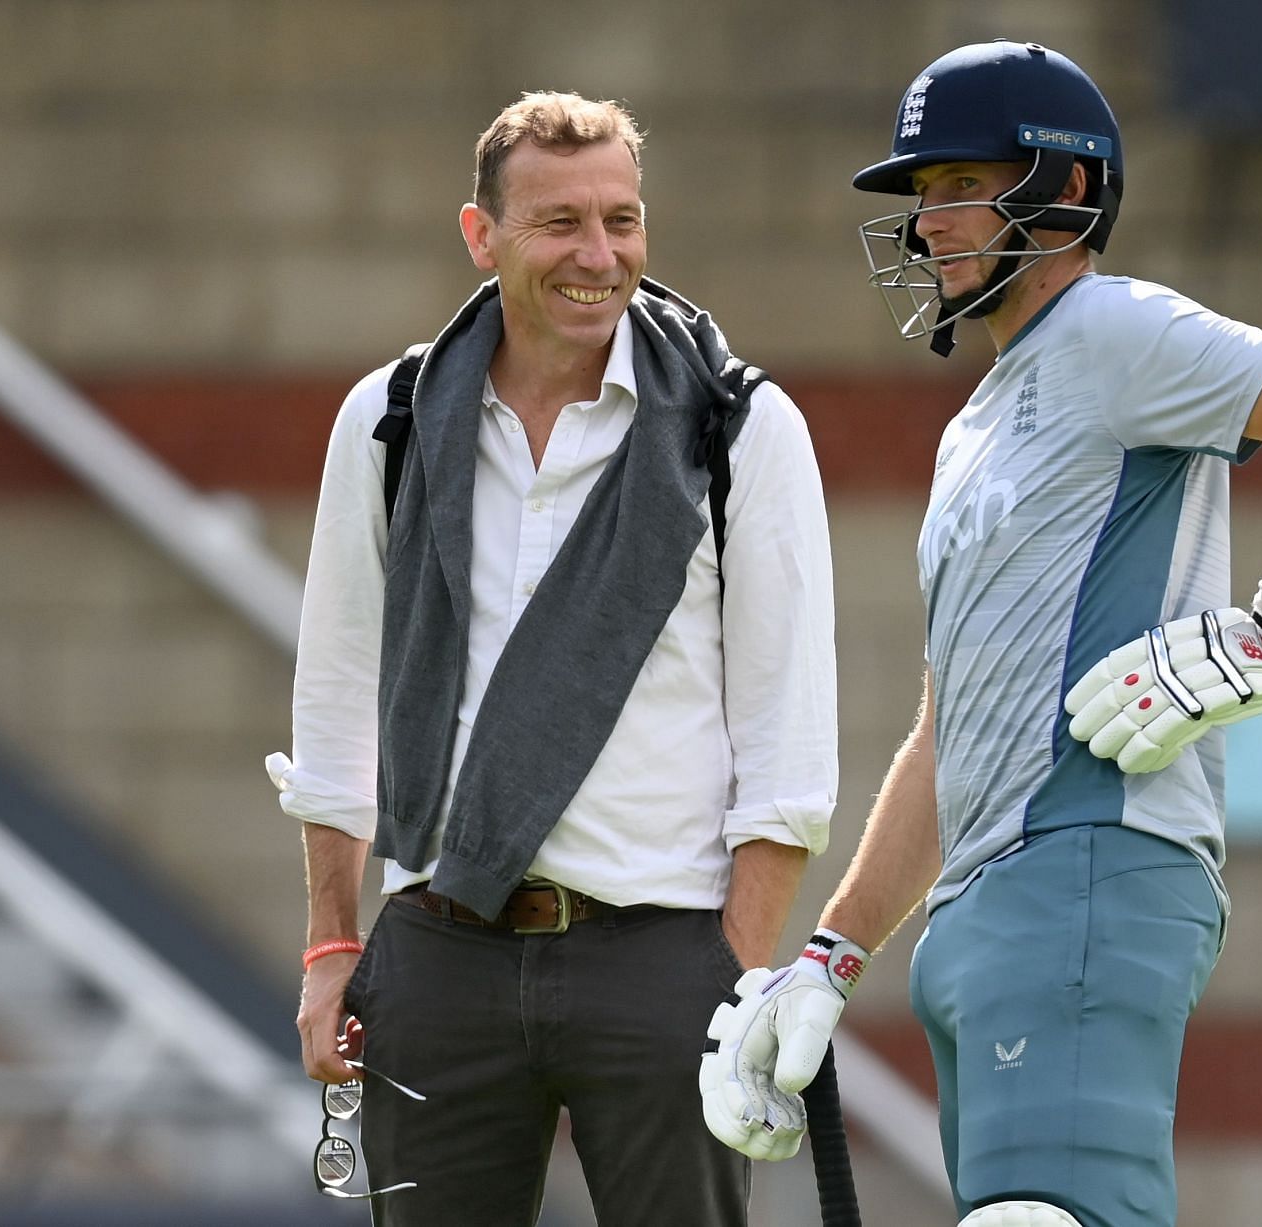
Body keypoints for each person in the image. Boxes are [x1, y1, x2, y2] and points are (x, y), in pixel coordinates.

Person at [699, 39, 1262, 1227]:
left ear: (1064, 189)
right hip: (987, 908)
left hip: (1091, 864)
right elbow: (951, 728)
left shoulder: (1109, 328)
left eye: (959, 187)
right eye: (921, 198)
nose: (929, 226)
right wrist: (832, 953)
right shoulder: (975, 421)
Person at [265, 91, 838, 1226]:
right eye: (561, 223)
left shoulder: (740, 429)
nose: (600, 255)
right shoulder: (387, 420)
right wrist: (334, 946)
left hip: (664, 954)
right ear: (481, 236)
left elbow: (789, 741)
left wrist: (729, 980)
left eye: (622, 220)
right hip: (438, 950)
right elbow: (336, 702)